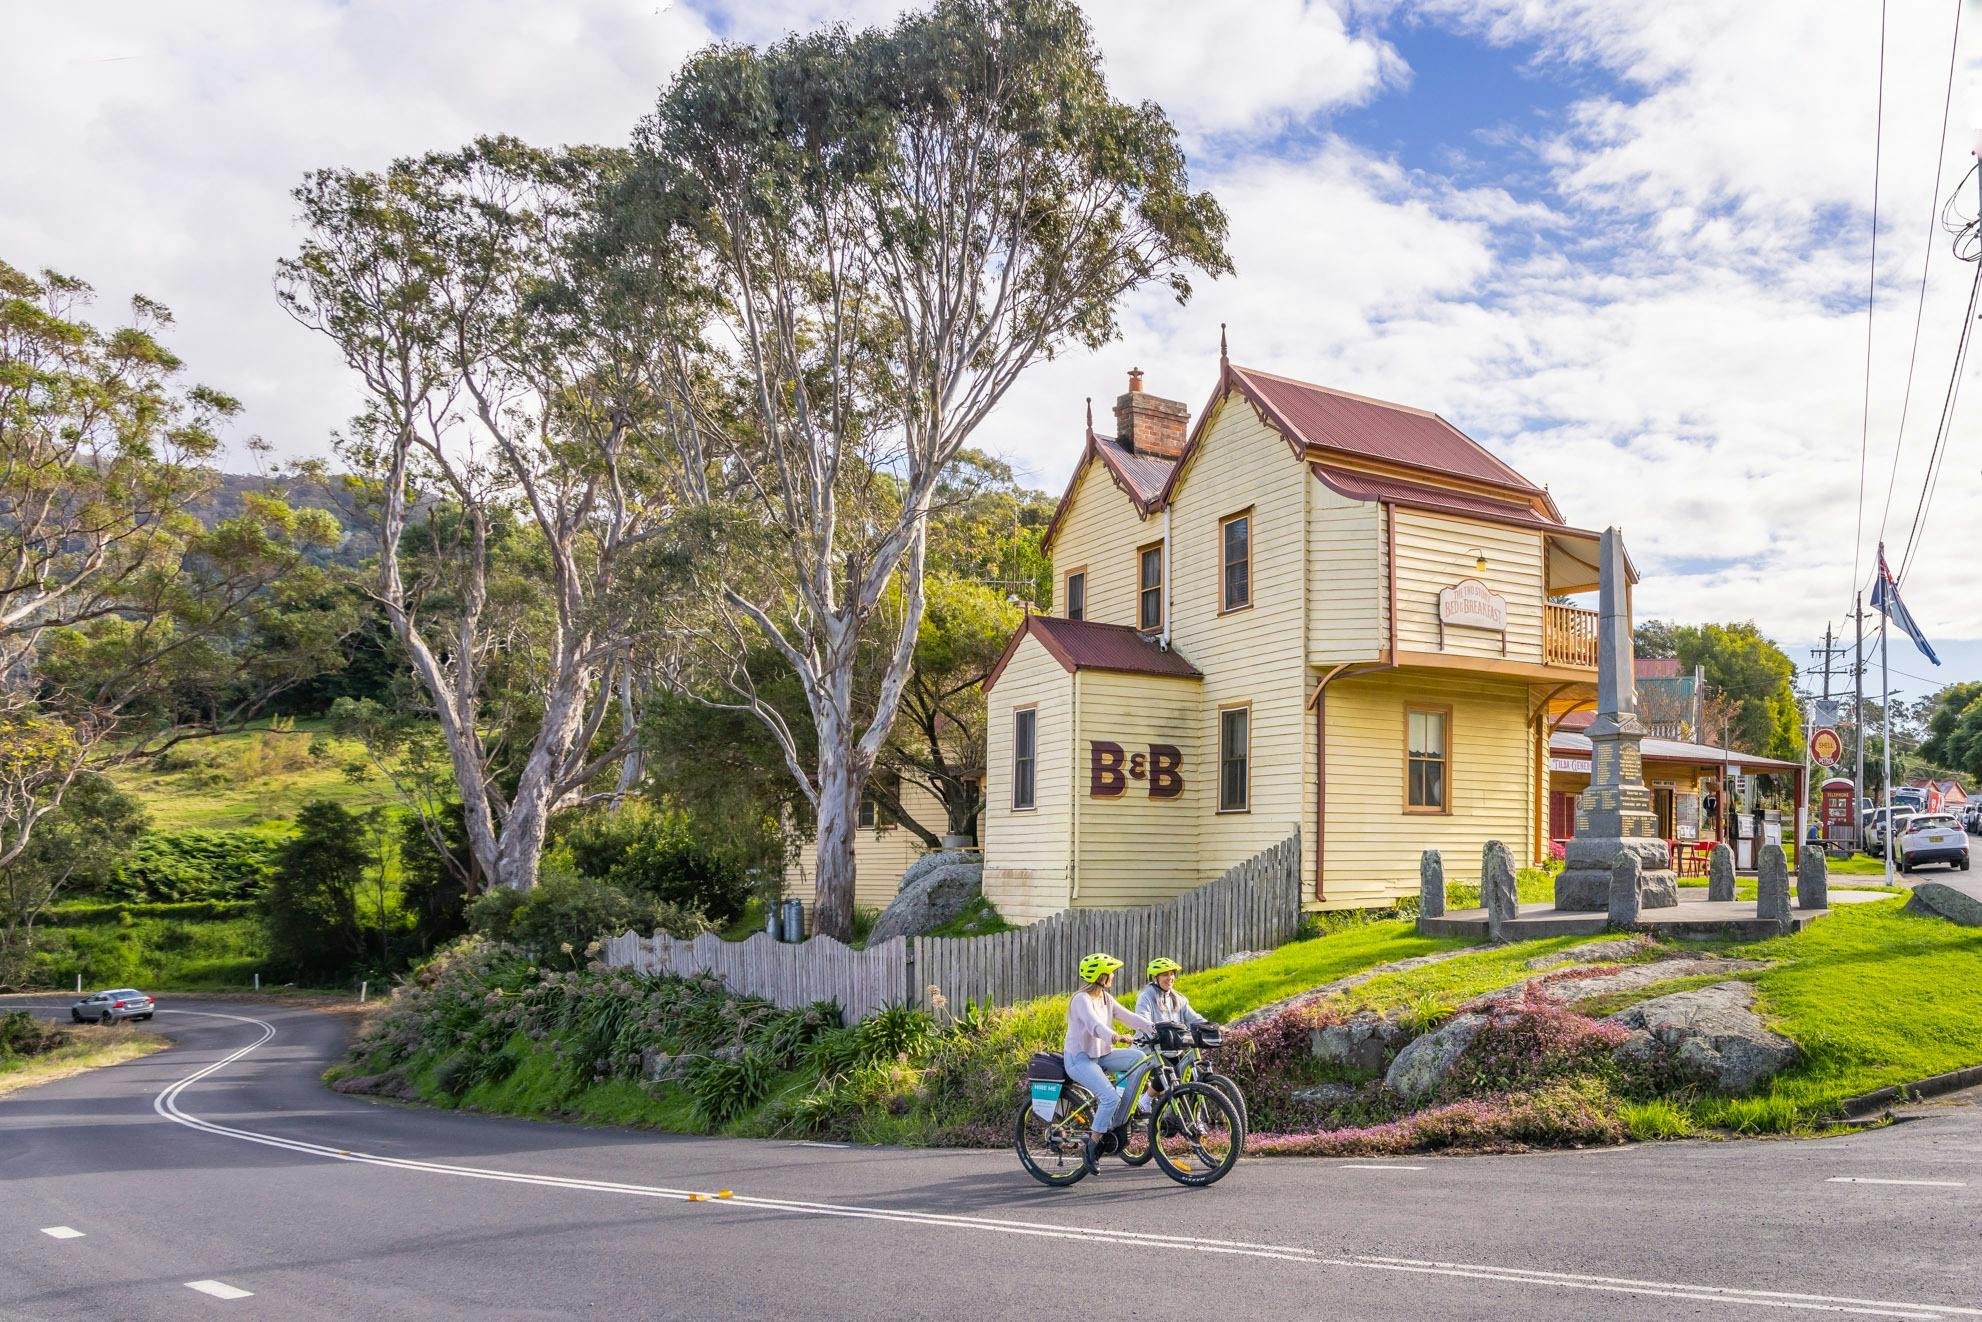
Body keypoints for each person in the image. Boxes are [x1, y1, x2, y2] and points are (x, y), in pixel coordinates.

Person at [1063, 952, 1154, 1175]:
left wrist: (1156, 1028)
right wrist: (1115, 1036)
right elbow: (1094, 1025)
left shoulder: (1105, 998)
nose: (1113, 975)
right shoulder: (1081, 1000)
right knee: (1109, 1097)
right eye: (1111, 971)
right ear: (1101, 975)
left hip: (1101, 1055)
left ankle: (1124, 1114)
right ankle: (1092, 1146)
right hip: (1079, 1059)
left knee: (1140, 1058)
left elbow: (1130, 1017)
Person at [1135, 957, 1206, 1028]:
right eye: (1165, 974)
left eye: (1172, 974)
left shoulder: (1179, 998)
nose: (1170, 978)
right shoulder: (1146, 997)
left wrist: (1210, 1027)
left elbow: (1194, 1019)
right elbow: (1143, 1024)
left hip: (1177, 1038)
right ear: (1154, 978)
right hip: (1155, 1039)